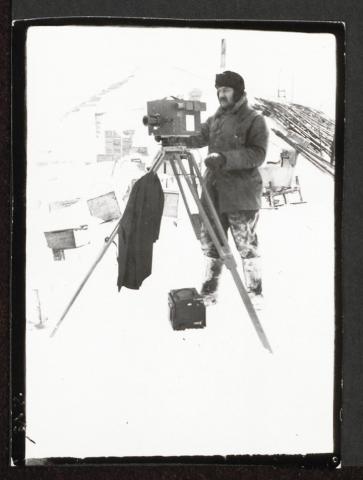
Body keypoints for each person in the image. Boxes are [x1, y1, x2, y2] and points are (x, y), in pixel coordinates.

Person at [187, 70, 269, 307]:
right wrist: (173, 137)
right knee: (212, 243)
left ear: (238, 91)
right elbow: (197, 137)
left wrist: (225, 158)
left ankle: (255, 294)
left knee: (246, 244)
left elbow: (258, 153)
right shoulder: (215, 119)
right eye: (219, 90)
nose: (221, 94)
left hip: (241, 194)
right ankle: (210, 293)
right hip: (214, 193)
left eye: (226, 90)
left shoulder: (254, 119)